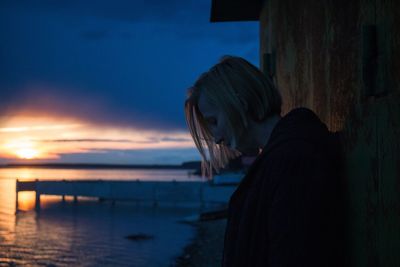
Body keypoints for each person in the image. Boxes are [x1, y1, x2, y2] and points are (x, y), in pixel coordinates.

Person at [184, 55, 344, 267]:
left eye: (214, 121)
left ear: (239, 102)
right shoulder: (282, 158)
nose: (217, 138)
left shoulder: (292, 161)